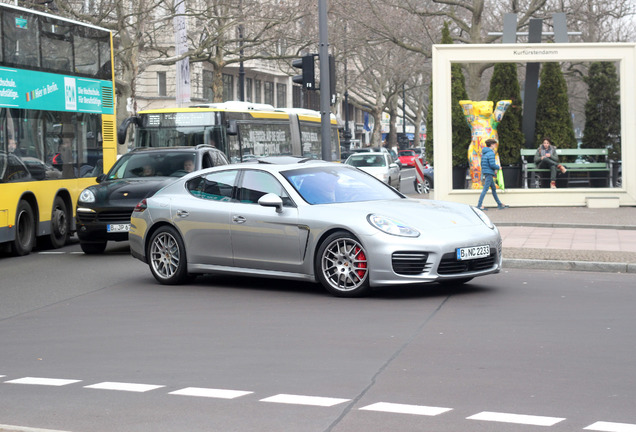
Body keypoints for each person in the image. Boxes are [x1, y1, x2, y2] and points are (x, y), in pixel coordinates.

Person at [477, 139, 508, 210]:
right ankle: (479, 205)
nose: (495, 145)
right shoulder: (491, 153)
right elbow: (492, 164)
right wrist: (498, 167)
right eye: (494, 144)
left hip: (486, 171)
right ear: (491, 145)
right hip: (489, 172)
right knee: (485, 189)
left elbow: (484, 163)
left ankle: (499, 204)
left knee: (493, 188)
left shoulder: (484, 152)